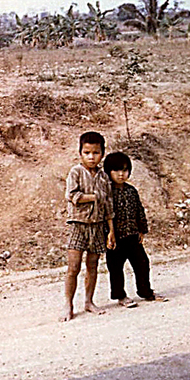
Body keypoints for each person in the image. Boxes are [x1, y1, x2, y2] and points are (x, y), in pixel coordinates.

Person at [62, 131, 115, 321]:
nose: (91, 157)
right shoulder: (75, 172)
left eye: (95, 153)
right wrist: (94, 197)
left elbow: (108, 205)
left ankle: (89, 301)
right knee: (73, 267)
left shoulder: (103, 177)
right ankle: (68, 304)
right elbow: (73, 196)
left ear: (102, 153)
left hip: (98, 226)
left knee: (92, 266)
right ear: (80, 153)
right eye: (87, 153)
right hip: (78, 225)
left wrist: (111, 232)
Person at [103, 151, 166, 308]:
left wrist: (142, 230)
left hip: (132, 235)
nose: (121, 174)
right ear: (108, 172)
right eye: (116, 170)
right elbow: (103, 214)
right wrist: (106, 235)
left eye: (125, 170)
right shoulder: (106, 193)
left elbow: (139, 210)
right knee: (116, 268)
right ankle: (121, 296)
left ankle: (146, 291)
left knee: (142, 263)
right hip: (115, 238)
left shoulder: (131, 191)